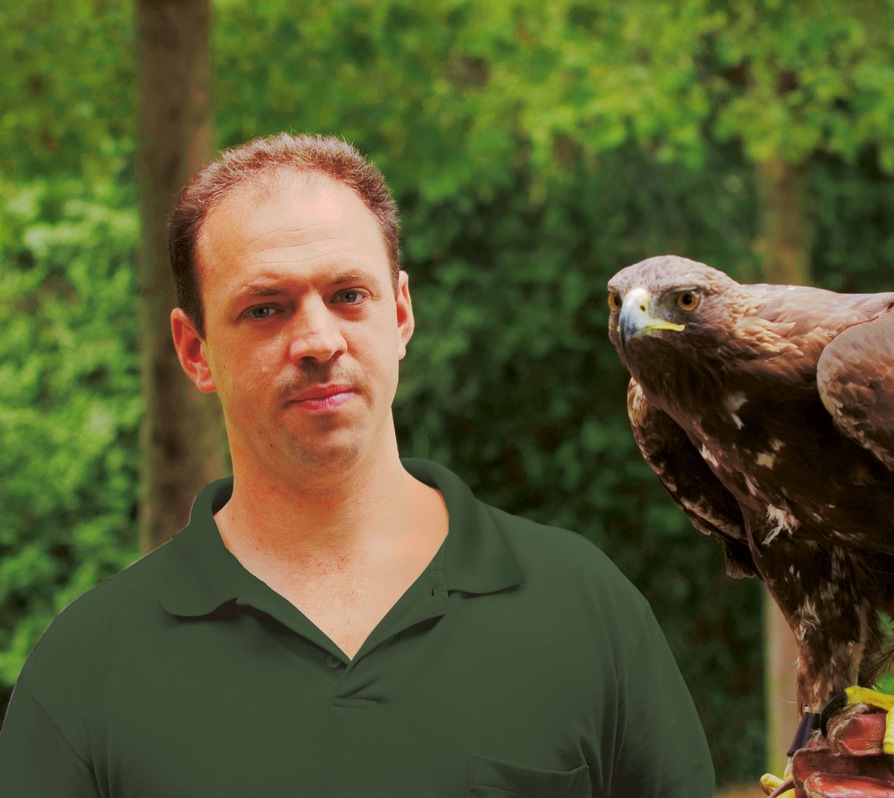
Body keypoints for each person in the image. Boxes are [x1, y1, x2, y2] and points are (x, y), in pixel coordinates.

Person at [0, 133, 715, 797]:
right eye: (265, 309)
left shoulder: (582, 607)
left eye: (348, 296)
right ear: (195, 351)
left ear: (400, 314)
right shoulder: (86, 670)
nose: (317, 340)